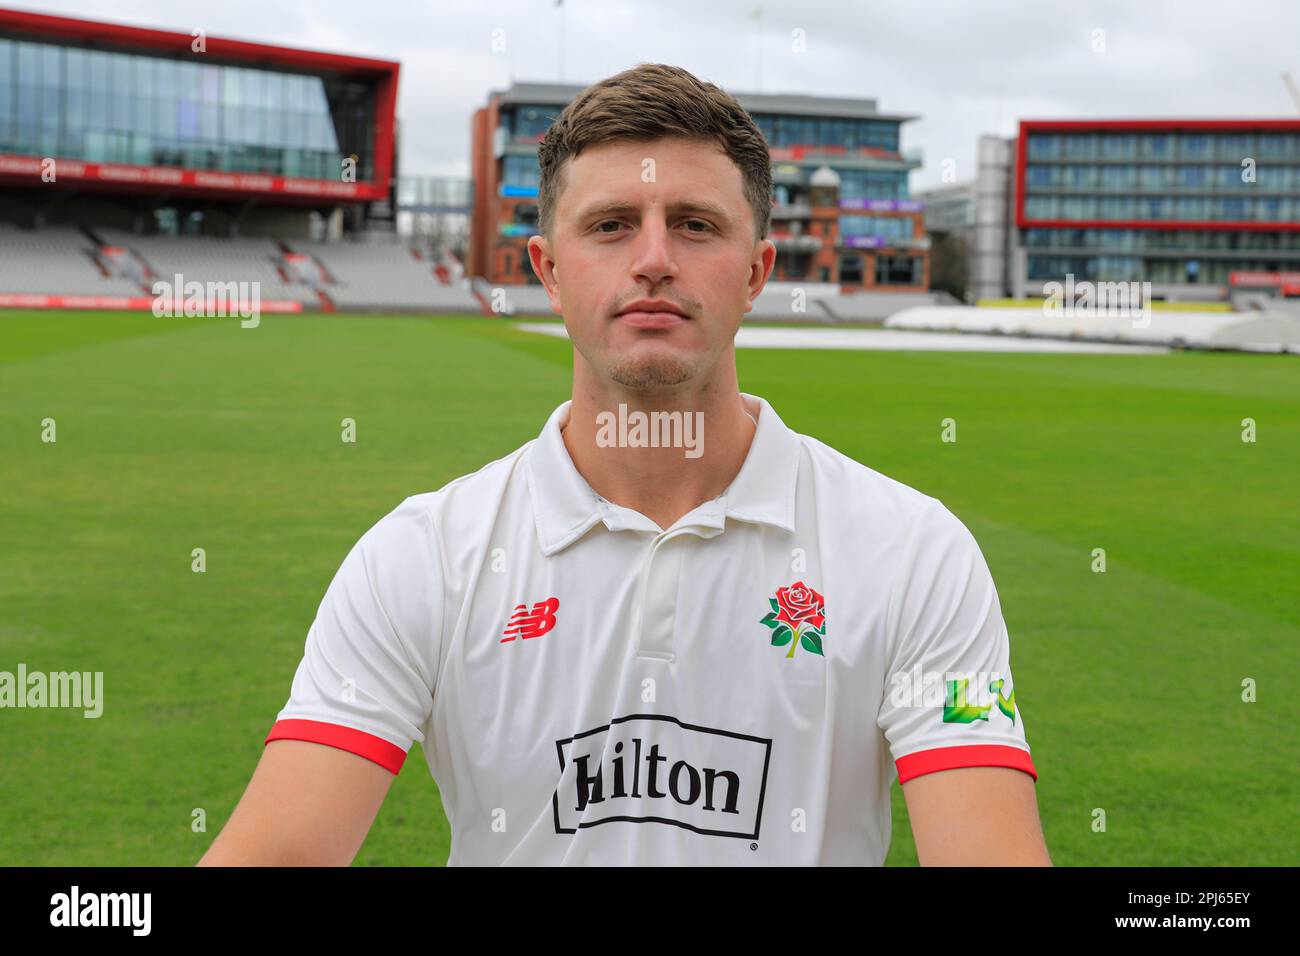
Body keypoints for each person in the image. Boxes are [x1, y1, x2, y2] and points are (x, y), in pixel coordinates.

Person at [199, 63, 1050, 866]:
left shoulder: (914, 551)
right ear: (550, 270)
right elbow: (282, 851)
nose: (653, 259)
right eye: (610, 226)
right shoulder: (421, 555)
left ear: (756, 272)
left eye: (695, 224)